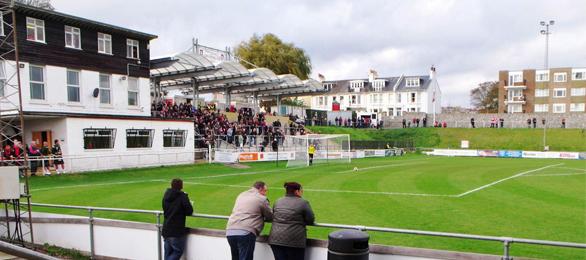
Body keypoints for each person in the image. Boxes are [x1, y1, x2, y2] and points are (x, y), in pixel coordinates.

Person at [227, 181, 273, 260]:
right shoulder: (262, 198)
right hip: (246, 232)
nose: (265, 193)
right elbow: (270, 216)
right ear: (260, 189)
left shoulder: (241, 194)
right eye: (265, 191)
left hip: (230, 231)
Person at [269, 182, 315, 260]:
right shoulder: (303, 202)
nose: (302, 192)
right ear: (297, 191)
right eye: (301, 190)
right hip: (294, 241)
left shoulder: (278, 201)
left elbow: (274, 215)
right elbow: (310, 220)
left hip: (275, 239)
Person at [162, 178, 194, 260]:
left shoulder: (166, 195)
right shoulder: (182, 196)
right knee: (178, 251)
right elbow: (189, 211)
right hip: (176, 231)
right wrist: (186, 198)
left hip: (166, 229)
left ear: (171, 185)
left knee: (167, 253)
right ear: (181, 186)